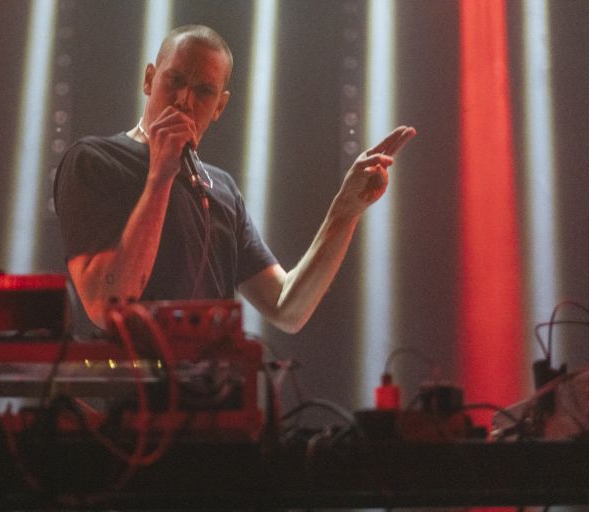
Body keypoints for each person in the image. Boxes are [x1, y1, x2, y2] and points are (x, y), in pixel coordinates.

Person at [54, 24, 415, 334]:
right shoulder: (95, 160)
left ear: (220, 106)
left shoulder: (220, 189)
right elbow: (105, 304)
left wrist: (345, 211)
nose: (184, 100)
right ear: (149, 79)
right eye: (175, 80)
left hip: (214, 390)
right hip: (129, 391)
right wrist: (160, 176)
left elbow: (286, 308)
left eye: (203, 91)